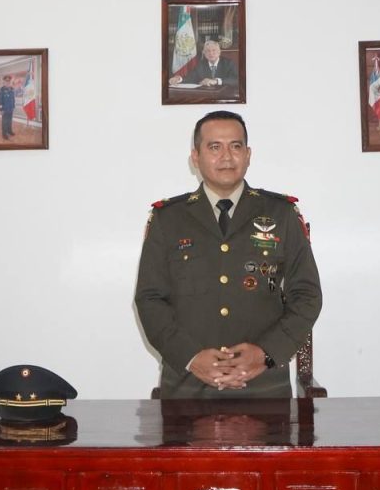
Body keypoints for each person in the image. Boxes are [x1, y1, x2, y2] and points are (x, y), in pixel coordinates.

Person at [135, 110, 322, 398]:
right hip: (188, 386)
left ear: (248, 155)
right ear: (195, 157)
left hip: (264, 386)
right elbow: (150, 299)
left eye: (235, 146)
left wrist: (266, 353)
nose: (226, 156)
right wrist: (191, 357)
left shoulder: (281, 214)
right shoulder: (168, 219)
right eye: (214, 147)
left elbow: (307, 295)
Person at [168, 40, 239, 87]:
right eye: (208, 51)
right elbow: (191, 78)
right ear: (204, 53)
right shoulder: (201, 64)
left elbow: (236, 80)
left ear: (219, 52)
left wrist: (216, 81)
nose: (211, 53)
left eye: (214, 50)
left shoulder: (228, 63)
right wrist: (179, 79)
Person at [0, 74, 17, 139]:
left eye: (9, 81)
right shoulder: (2, 90)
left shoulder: (11, 89)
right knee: (4, 122)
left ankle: (9, 131)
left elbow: (13, 99)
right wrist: (1, 109)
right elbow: (0, 100)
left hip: (10, 108)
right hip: (5, 109)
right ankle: (4, 134)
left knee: (9, 120)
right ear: (4, 82)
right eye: (6, 81)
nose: (7, 82)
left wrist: (13, 106)